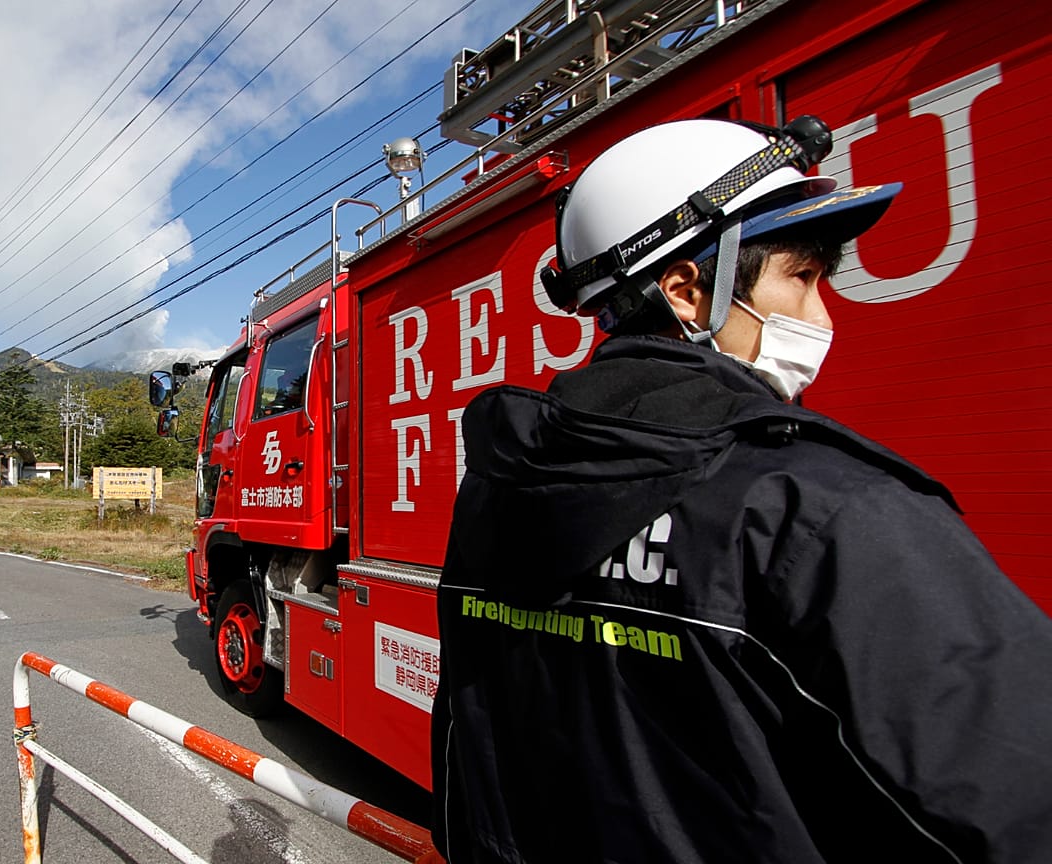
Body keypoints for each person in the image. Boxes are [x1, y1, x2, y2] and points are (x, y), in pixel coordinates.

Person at [429, 116, 1052, 863]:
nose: (821, 315)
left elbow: (467, 760)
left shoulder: (498, 489)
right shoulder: (823, 511)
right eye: (803, 277)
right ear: (689, 290)